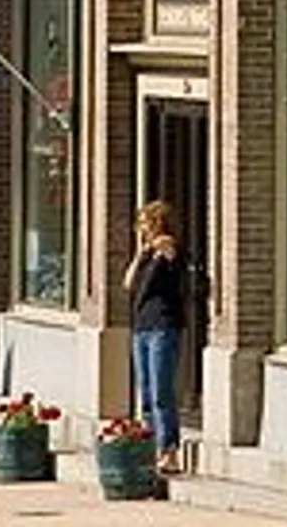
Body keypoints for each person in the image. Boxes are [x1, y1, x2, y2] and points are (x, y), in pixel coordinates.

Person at [124, 199, 184, 474]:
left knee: (162, 392)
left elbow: (150, 284)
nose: (141, 229)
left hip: (163, 326)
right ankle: (150, 447)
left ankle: (168, 450)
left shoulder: (169, 248)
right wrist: (140, 254)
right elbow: (129, 284)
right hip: (142, 327)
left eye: (145, 224)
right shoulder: (147, 253)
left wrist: (159, 251)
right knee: (146, 393)